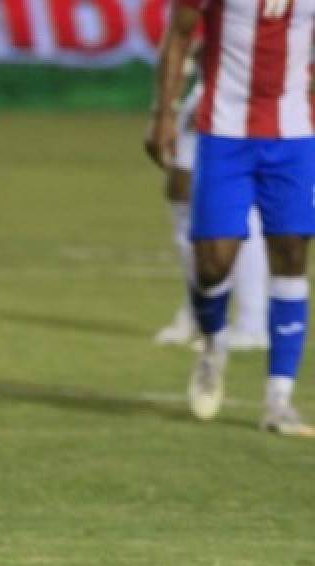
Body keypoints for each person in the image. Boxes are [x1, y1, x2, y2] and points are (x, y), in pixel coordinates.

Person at [146, 0, 315, 436]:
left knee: (292, 254)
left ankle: (279, 400)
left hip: (294, 133)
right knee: (213, 262)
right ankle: (213, 344)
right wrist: (162, 114)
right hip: (224, 133)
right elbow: (180, 33)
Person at [153, 68, 268, 351]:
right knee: (181, 193)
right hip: (215, 84)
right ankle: (198, 311)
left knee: (242, 202)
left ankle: (252, 324)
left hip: (251, 93)